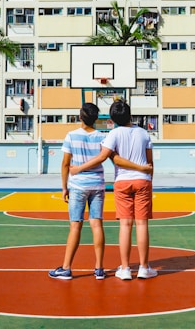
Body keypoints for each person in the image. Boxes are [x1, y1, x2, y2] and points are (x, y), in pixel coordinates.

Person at [49, 103, 150, 281]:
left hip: (78, 185)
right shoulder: (102, 138)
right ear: (97, 119)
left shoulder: (71, 136)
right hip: (97, 184)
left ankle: (66, 268)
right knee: (97, 225)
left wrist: (65, 186)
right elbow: (112, 159)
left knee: (75, 226)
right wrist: (140, 169)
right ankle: (99, 269)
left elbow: (65, 163)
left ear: (80, 117)